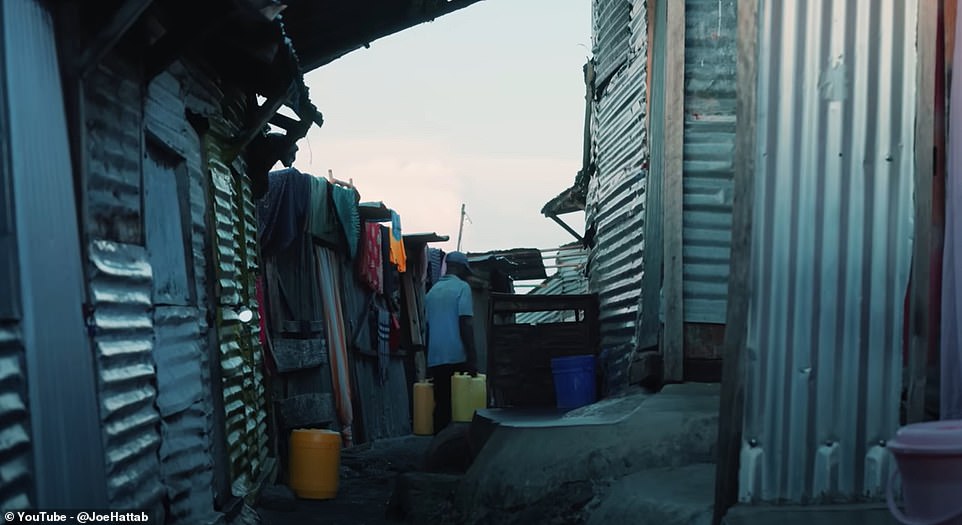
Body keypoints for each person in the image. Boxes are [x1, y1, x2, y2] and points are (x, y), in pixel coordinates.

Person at [424, 251, 478, 433]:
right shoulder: (462, 288)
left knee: (442, 404)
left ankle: (438, 446)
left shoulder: (431, 292)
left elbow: (428, 329)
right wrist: (472, 357)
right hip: (457, 355)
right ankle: (458, 449)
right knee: (461, 406)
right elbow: (465, 323)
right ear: (461, 267)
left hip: (436, 357)